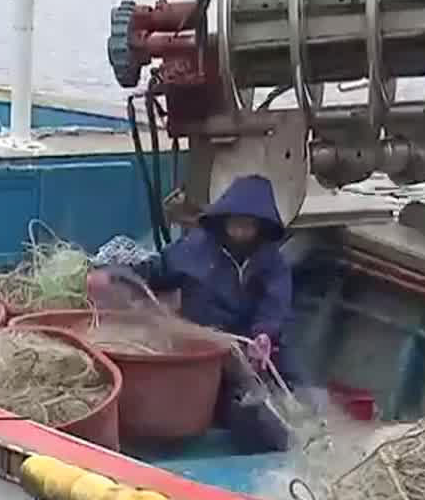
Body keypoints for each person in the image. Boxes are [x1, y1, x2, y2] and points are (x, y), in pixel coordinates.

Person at [84, 175, 296, 451]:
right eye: (236, 223)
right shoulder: (195, 249)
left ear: (261, 227)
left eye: (249, 225)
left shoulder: (272, 263)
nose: (241, 231)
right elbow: (156, 273)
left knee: (266, 413)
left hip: (250, 351)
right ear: (224, 220)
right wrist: (114, 277)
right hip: (200, 352)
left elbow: (275, 303)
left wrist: (264, 334)